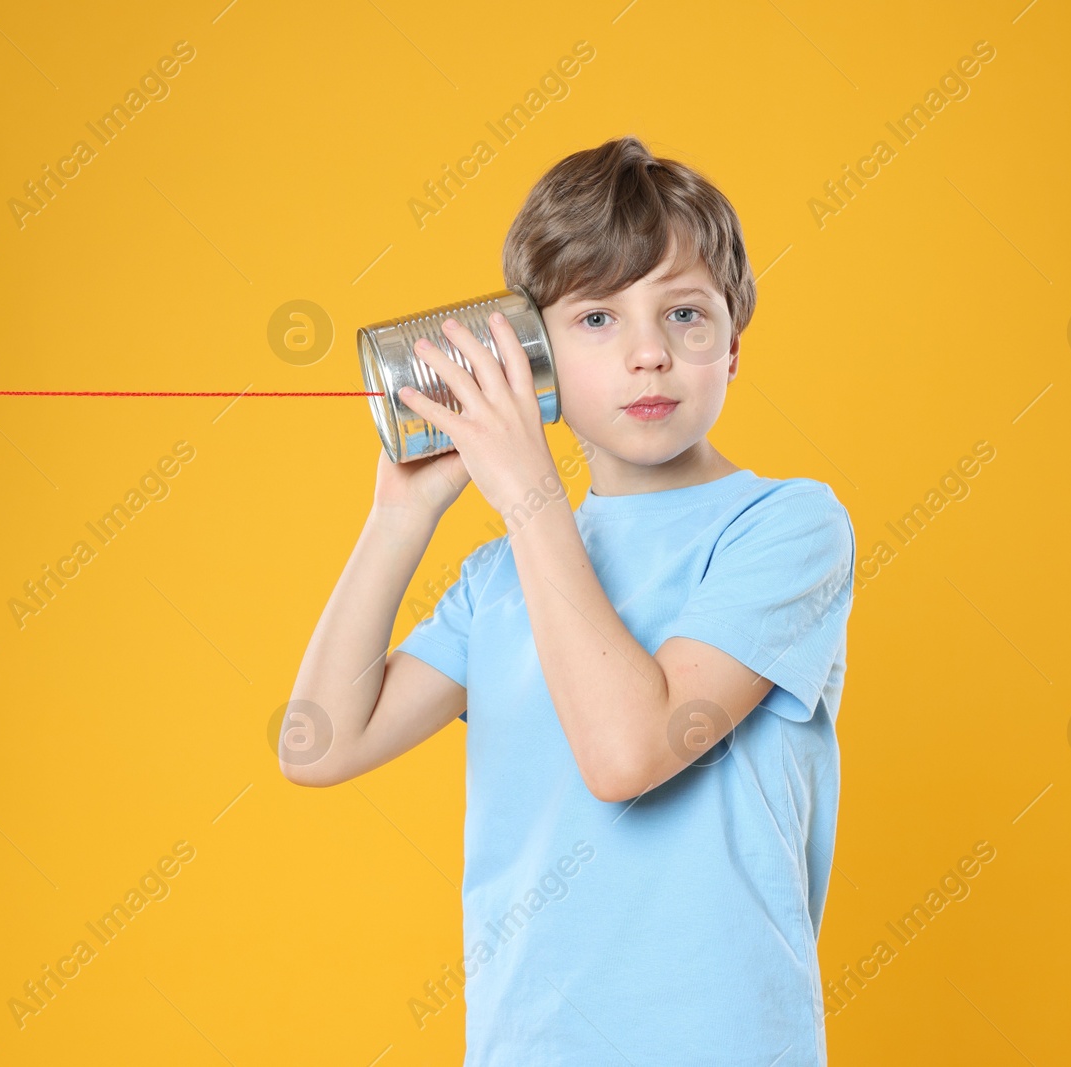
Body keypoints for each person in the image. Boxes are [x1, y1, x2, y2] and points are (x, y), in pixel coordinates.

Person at [283, 134, 857, 1066]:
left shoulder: (786, 528)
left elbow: (629, 751)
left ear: (734, 347)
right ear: (531, 357)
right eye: (596, 319)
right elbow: (318, 744)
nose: (647, 356)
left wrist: (526, 496)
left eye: (685, 315)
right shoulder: (501, 576)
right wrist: (399, 519)